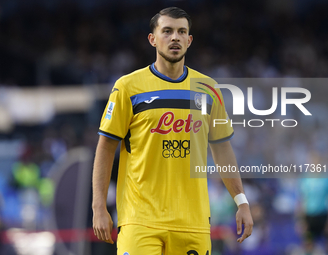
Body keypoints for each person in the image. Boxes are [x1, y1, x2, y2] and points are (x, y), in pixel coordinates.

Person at [92, 7, 253, 255]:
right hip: (140, 220)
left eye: (181, 32)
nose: (174, 38)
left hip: (194, 223)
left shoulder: (209, 89)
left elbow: (222, 149)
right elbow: (105, 148)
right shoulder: (128, 87)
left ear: (189, 41)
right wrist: (98, 207)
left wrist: (241, 202)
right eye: (167, 31)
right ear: (152, 39)